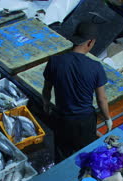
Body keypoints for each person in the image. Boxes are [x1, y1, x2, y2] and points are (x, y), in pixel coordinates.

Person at [42, 21, 112, 162]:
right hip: (84, 122)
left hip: (62, 118)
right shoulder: (95, 67)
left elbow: (47, 89)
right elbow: (101, 99)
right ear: (91, 42)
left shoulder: (55, 61)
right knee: (86, 156)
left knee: (62, 155)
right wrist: (107, 118)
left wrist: (46, 104)